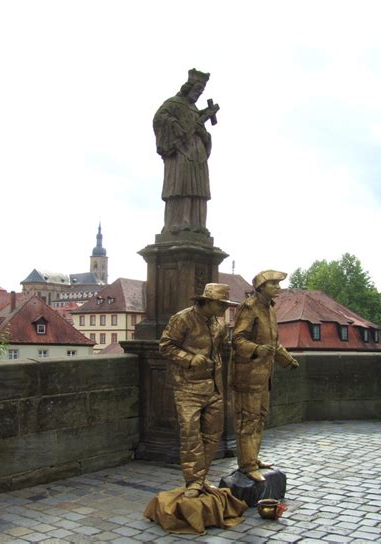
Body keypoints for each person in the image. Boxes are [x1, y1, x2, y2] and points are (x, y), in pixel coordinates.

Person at [159, 283, 237, 498]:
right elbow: (166, 345)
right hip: (187, 387)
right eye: (221, 304)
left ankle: (201, 478)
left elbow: (220, 349)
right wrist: (191, 359)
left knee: (213, 435)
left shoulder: (219, 323)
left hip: (214, 387)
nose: (224, 308)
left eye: (225, 304)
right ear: (208, 301)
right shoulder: (182, 318)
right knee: (191, 436)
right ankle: (193, 481)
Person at [231, 270, 299, 482]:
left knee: (260, 418)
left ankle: (253, 457)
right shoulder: (249, 307)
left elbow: (273, 343)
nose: (278, 287)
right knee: (247, 420)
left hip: (264, 375)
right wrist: (257, 349)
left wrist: (286, 359)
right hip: (248, 375)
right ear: (261, 287)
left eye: (278, 284)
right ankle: (247, 464)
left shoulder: (269, 309)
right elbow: (237, 339)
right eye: (273, 284)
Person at [153, 68, 219, 235]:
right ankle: (179, 223)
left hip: (198, 155)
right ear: (188, 87)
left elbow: (202, 131)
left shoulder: (195, 110)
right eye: (197, 90)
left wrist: (204, 134)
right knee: (180, 186)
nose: (197, 94)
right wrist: (174, 125)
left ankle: (198, 225)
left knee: (199, 189)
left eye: (201, 91)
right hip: (181, 152)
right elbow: (159, 119)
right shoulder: (174, 104)